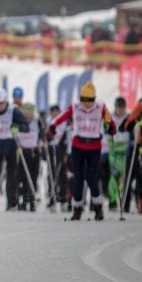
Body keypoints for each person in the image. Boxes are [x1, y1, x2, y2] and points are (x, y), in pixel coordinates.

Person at [47, 82, 117, 220]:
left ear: (94, 99)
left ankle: (98, 208)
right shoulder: (75, 106)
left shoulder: (101, 107)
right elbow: (63, 116)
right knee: (77, 179)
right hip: (78, 146)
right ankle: (77, 209)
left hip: (94, 147)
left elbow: (110, 120)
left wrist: (112, 128)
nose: (87, 104)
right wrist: (53, 125)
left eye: (90, 100)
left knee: (92, 178)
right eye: (84, 99)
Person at [15, 102, 43, 211]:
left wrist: (43, 138)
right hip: (22, 152)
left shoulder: (37, 121)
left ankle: (31, 200)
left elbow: (43, 133)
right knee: (22, 177)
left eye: (29, 112)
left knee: (33, 176)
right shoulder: (18, 120)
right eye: (24, 112)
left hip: (33, 152)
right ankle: (23, 200)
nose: (27, 115)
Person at [105, 96, 131, 212]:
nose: (121, 110)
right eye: (119, 108)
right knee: (114, 177)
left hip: (126, 151)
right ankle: (113, 200)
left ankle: (125, 200)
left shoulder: (128, 117)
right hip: (114, 152)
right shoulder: (110, 118)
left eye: (122, 108)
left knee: (124, 177)